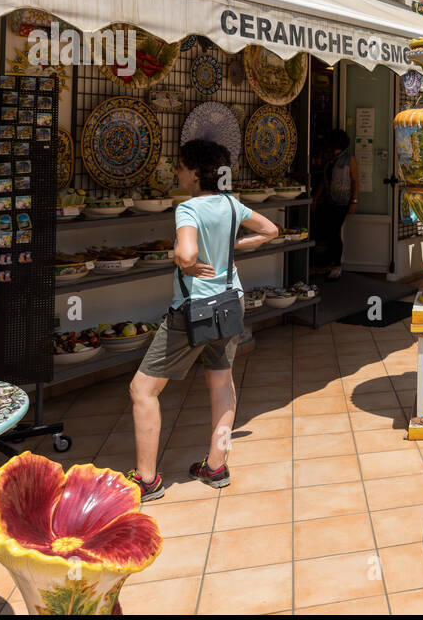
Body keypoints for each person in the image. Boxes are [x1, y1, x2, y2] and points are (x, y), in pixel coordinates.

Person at [126, 139, 278, 502]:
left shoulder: (188, 208)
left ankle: (146, 479)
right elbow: (270, 230)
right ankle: (216, 465)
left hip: (193, 310)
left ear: (195, 174)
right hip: (230, 303)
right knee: (222, 384)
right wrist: (232, 249)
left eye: (179, 166)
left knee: (142, 390)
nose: (176, 172)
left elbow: (187, 251)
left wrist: (184, 261)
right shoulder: (231, 203)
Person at [312, 128, 358, 281]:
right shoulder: (330, 160)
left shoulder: (349, 159)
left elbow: (355, 181)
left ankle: (336, 265)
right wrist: (316, 198)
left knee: (333, 232)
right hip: (329, 200)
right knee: (328, 232)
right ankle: (330, 264)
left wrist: (354, 201)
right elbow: (324, 183)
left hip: (342, 201)